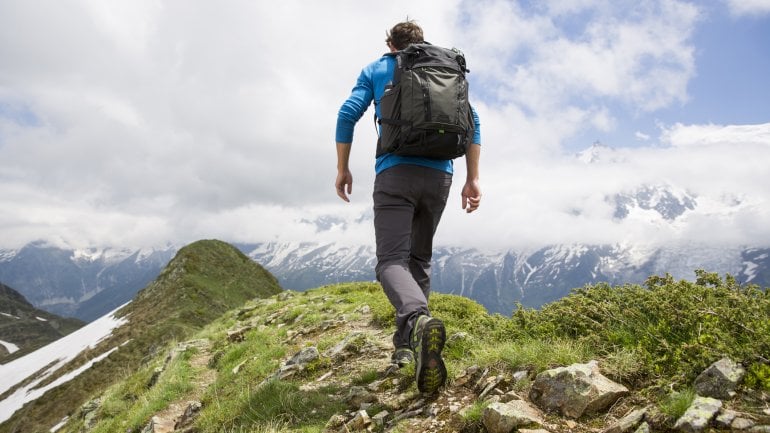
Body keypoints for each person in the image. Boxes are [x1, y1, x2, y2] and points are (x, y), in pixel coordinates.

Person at [334, 20, 482, 394]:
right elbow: (473, 123)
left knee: (391, 262)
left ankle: (417, 322)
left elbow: (347, 114)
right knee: (420, 260)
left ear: (390, 43)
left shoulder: (378, 68)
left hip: (395, 173)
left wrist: (342, 167)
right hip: (440, 178)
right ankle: (406, 349)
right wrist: (472, 178)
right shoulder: (446, 70)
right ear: (421, 42)